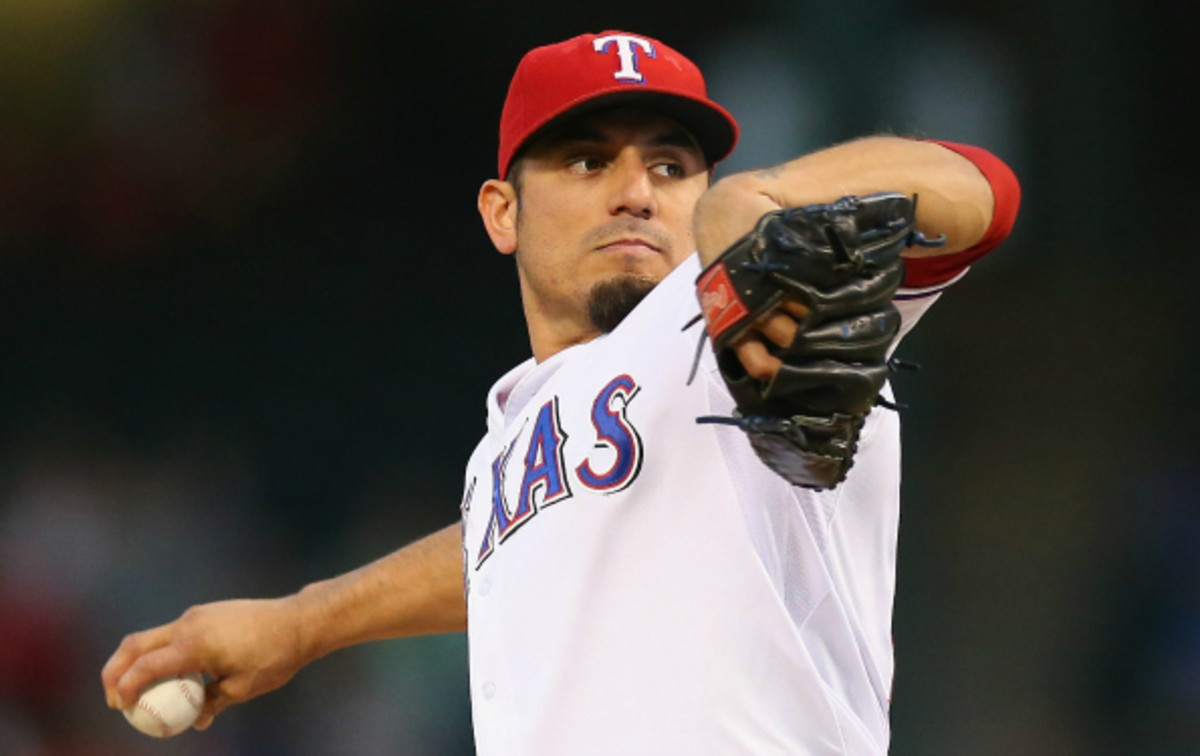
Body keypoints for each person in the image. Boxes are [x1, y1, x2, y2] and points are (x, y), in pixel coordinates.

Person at [103, 30, 1020, 754]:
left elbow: (983, 192)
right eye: (588, 162)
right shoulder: (512, 435)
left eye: (670, 166)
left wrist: (768, 194)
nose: (636, 193)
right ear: (503, 212)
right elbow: (511, 553)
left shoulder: (745, 302)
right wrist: (302, 622)